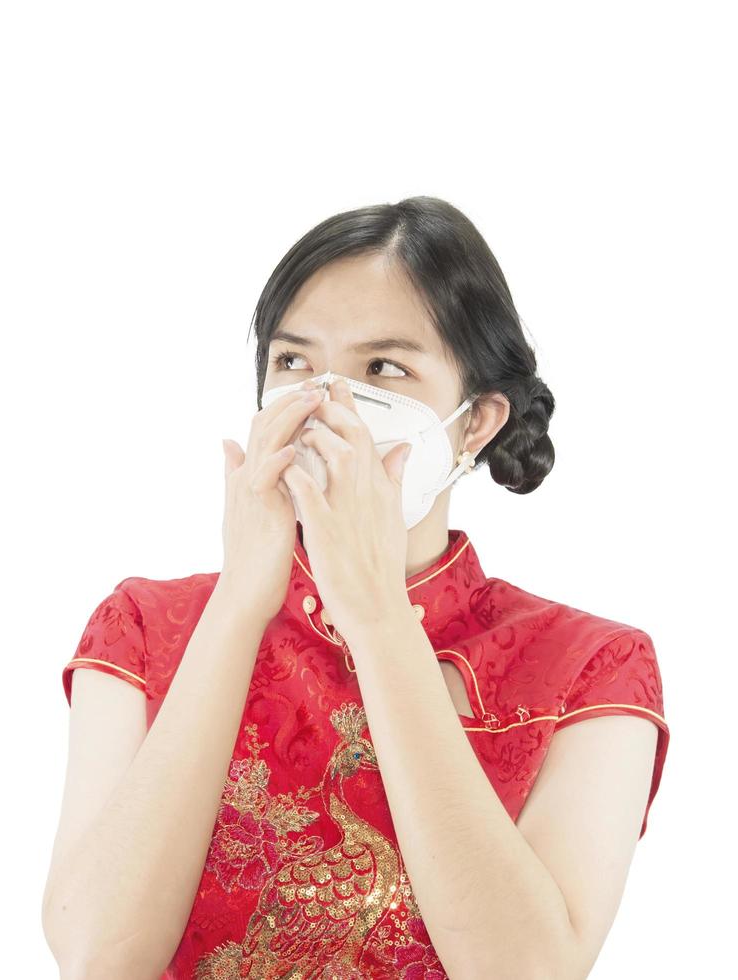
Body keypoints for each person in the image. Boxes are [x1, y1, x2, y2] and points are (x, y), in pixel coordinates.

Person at [40, 197, 668, 980]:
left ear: (476, 423)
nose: (326, 403)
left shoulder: (590, 666)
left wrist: (377, 616)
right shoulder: (143, 625)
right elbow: (99, 955)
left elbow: (527, 970)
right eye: (294, 362)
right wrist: (238, 604)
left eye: (383, 369)